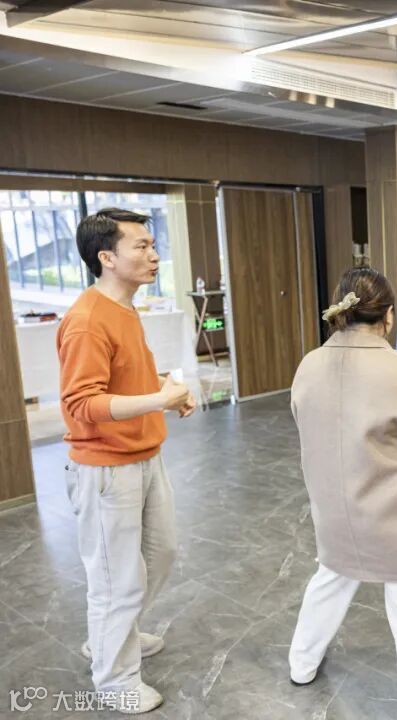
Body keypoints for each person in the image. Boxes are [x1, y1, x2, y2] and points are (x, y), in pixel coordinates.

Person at [288, 267, 397, 720]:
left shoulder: (309, 364)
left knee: (330, 580)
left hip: (334, 513)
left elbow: (304, 424)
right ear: (388, 316)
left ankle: (302, 663)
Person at [59, 208, 194, 714]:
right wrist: (159, 400)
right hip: (105, 467)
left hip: (144, 455)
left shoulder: (124, 308)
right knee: (116, 580)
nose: (154, 255)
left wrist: (164, 393)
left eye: (152, 245)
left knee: (161, 554)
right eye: (141, 246)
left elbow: (123, 378)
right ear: (107, 257)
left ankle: (111, 637)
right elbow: (82, 403)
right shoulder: (86, 320)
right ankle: (114, 677)